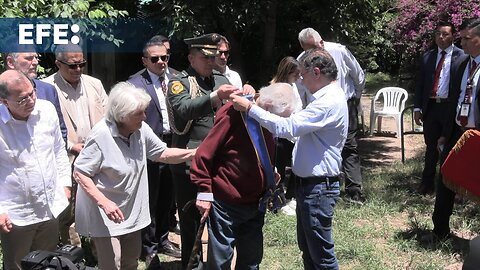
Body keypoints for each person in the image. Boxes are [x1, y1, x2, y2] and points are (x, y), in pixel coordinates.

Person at [231, 48, 348, 270]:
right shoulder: (325, 98)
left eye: (302, 76)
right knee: (310, 250)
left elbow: (287, 127)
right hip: (311, 187)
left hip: (318, 188)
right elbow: (295, 126)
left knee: (321, 255)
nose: (301, 82)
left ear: (316, 72)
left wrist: (250, 109)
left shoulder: (328, 101)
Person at [73, 82, 196, 270]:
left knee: (130, 262)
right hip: (105, 214)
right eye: (139, 113)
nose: (144, 117)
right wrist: (104, 203)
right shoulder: (100, 136)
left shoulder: (140, 129)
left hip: (131, 211)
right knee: (111, 263)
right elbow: (80, 172)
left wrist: (194, 153)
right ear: (122, 115)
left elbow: (161, 153)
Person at [167, 33, 254, 269]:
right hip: (190, 165)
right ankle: (192, 266)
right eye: (204, 57)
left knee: (219, 223)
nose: (210, 62)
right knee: (192, 224)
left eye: (213, 57)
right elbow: (184, 109)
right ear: (191, 58)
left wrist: (247, 94)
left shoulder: (219, 79)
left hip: (219, 166)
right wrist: (216, 96)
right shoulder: (180, 82)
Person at [191, 83, 296, 269]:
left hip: (256, 201)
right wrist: (204, 191)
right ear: (269, 106)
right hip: (226, 202)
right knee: (221, 260)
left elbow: (260, 150)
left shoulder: (266, 116)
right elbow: (204, 153)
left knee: (251, 259)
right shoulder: (235, 112)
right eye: (277, 118)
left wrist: (269, 172)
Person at [0, 70, 71, 270]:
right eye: (22, 99)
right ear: (4, 101)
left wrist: (65, 183)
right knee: (17, 264)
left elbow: (58, 149)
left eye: (32, 93)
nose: (31, 100)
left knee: (46, 262)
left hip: (49, 206)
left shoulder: (46, 110)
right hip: (16, 214)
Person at [43, 44, 108, 247]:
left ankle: (98, 248)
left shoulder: (94, 84)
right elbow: (47, 128)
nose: (78, 69)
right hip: (67, 157)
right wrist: (71, 146)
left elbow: (107, 117)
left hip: (97, 155)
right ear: (58, 64)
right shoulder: (47, 87)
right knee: (68, 210)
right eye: (72, 66)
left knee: (98, 202)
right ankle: (74, 252)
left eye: (82, 64)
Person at [424, 18, 480, 243]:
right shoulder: (462, 64)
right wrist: (446, 133)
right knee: (445, 176)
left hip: (478, 135)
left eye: (468, 38)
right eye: (462, 38)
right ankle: (440, 231)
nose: (463, 43)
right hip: (458, 132)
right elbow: (454, 101)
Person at [127, 35, 181, 266]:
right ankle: (148, 247)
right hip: (149, 148)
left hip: (174, 144)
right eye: (155, 58)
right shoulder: (134, 84)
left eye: (165, 57)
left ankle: (162, 239)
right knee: (150, 198)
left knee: (168, 199)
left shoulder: (178, 78)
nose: (161, 62)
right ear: (144, 61)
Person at [298, 27, 366, 204]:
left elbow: (358, 75)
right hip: (319, 108)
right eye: (310, 49)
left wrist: (356, 98)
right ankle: (328, 186)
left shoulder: (339, 51)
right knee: (323, 148)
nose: (316, 51)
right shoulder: (302, 60)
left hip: (345, 103)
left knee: (349, 146)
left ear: (322, 41)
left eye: (318, 45)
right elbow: (301, 88)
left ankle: (354, 190)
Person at [414, 21, 465, 195]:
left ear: (453, 36)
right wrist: (417, 108)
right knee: (430, 148)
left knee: (451, 148)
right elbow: (420, 83)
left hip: (450, 109)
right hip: (431, 108)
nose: (441, 37)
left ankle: (450, 186)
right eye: (438, 34)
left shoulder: (462, 57)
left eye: (445, 34)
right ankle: (427, 184)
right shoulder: (428, 56)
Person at [4, 51, 68, 144]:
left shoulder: (48, 90)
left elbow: (60, 132)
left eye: (36, 57)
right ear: (10, 62)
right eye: (29, 58)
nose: (35, 62)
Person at [270, 56, 303, 215]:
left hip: (294, 133)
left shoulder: (293, 86)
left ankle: (290, 198)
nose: (298, 78)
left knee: (297, 166)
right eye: (296, 74)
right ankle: (276, 202)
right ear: (287, 72)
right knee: (279, 170)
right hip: (280, 135)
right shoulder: (276, 88)